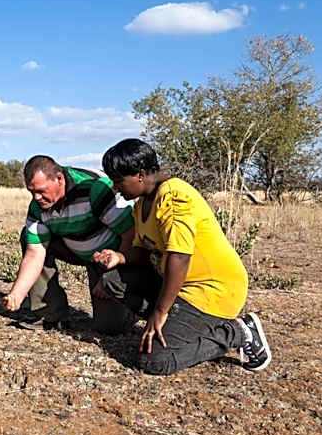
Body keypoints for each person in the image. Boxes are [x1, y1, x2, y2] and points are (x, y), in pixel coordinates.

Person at [94, 138, 272, 375]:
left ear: (140, 175)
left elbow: (180, 257)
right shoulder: (141, 204)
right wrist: (119, 257)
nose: (116, 188)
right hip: (178, 285)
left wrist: (160, 311)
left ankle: (238, 331)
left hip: (211, 289)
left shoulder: (174, 197)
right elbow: (144, 251)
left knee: (155, 361)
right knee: (113, 281)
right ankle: (178, 322)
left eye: (119, 181)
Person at [0, 155, 150, 332]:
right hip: (72, 246)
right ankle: (50, 313)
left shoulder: (94, 188)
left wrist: (111, 276)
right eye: (31, 192)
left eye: (41, 191)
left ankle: (130, 308)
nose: (36, 197)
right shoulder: (37, 206)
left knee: (110, 327)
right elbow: (35, 253)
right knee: (29, 236)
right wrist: (17, 294)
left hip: (109, 255)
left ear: (59, 178)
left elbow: (130, 234)